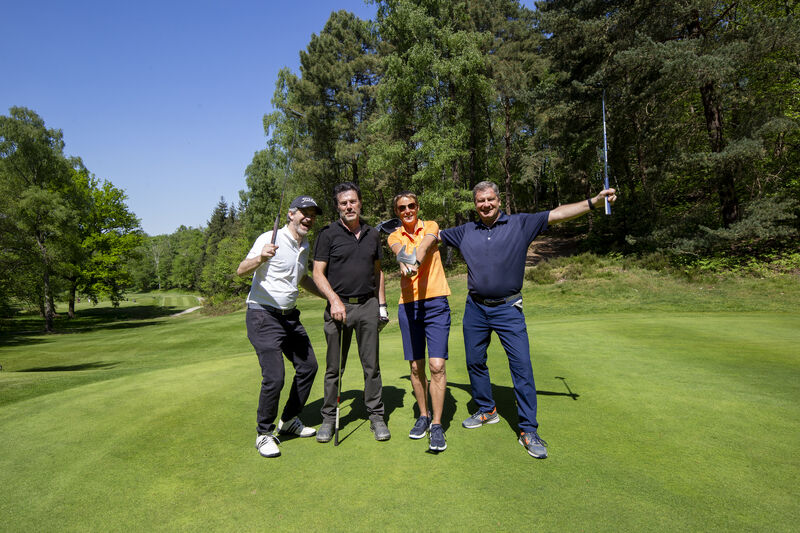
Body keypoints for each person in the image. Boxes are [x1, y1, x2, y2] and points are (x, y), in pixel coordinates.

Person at [418, 181, 617, 459]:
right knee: (475, 361)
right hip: (475, 309)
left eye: (490, 199)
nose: (485, 205)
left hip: (508, 308)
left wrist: (593, 202)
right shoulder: (466, 230)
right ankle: (487, 410)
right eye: (480, 201)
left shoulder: (521, 224)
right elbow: (434, 234)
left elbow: (558, 214)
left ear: (499, 200)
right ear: (475, 204)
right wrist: (420, 245)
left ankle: (528, 429)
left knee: (521, 368)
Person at [237, 195, 325, 458]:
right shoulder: (269, 238)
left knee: (308, 366)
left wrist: (330, 297)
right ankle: (264, 434)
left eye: (313, 213)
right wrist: (261, 258)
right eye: (304, 212)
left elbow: (303, 279)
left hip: (289, 317)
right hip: (262, 315)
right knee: (275, 376)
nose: (308, 217)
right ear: (291, 214)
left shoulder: (304, 244)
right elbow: (241, 270)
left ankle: (288, 420)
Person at [312, 182, 391, 442]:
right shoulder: (327, 235)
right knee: (334, 368)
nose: (349, 206)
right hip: (339, 307)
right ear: (337, 207)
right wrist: (334, 300)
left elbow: (378, 272)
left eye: (353, 201)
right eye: (343, 203)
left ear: (360, 203)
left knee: (372, 367)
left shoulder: (372, 234)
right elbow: (317, 273)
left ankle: (376, 416)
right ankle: (328, 418)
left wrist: (381, 306)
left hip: (367, 305)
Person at [386, 192, 451, 452]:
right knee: (416, 367)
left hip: (435, 302)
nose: (408, 210)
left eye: (411, 206)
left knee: (436, 366)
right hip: (408, 305)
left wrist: (414, 259)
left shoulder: (432, 226)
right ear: (397, 212)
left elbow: (424, 246)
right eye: (402, 208)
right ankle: (423, 416)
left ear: (418, 207)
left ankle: (437, 424)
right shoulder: (394, 235)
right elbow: (398, 251)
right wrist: (404, 259)